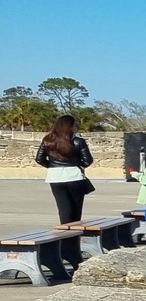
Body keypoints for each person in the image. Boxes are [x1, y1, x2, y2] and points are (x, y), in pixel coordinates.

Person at [33, 114, 94, 267]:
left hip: (55, 178)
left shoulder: (48, 139)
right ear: (70, 126)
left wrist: (53, 167)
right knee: (75, 214)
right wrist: (76, 165)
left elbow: (39, 159)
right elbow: (88, 160)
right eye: (75, 125)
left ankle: (66, 248)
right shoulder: (78, 141)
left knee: (64, 212)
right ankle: (72, 250)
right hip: (74, 177)